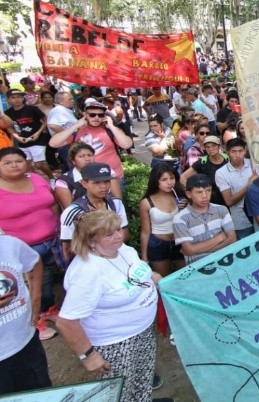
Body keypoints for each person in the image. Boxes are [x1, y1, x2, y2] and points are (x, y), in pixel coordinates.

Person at [56, 210, 160, 402]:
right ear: (91, 241)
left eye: (118, 229)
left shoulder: (124, 250)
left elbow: (143, 274)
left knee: (142, 383)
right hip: (116, 345)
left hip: (142, 333)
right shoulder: (87, 271)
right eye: (109, 234)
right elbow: (66, 322)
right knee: (121, 394)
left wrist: (160, 280)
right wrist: (88, 355)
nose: (118, 235)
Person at [0, 147, 60, 340]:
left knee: (48, 281)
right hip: (23, 248)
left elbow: (52, 203)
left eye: (18, 160)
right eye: (7, 163)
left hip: (53, 240)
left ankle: (49, 310)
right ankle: (36, 321)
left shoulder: (36, 179)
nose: (14, 165)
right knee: (31, 286)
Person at [0, 231, 52, 394]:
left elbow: (34, 262)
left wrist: (35, 302)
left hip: (26, 343)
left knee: (41, 394)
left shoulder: (9, 244)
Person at [49, 98, 133, 187]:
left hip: (111, 177)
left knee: (115, 201)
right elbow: (53, 143)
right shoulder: (77, 131)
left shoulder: (111, 131)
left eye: (100, 115)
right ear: (85, 115)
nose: (96, 118)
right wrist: (76, 125)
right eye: (92, 115)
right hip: (86, 180)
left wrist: (112, 126)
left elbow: (127, 145)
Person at [60, 162, 129, 259]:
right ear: (84, 183)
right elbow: (68, 250)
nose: (103, 186)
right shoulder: (72, 212)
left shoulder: (116, 203)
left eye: (106, 181)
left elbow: (124, 233)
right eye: (96, 182)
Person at [173, 174, 237, 265]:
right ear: (188, 194)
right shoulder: (180, 219)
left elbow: (232, 239)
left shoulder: (222, 210)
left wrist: (200, 250)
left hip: (226, 263)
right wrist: (220, 238)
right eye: (199, 192)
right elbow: (189, 250)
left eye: (208, 191)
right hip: (200, 270)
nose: (205, 196)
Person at [139, 164, 187, 278]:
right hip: (158, 244)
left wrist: (187, 205)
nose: (169, 182)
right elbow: (145, 232)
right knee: (164, 280)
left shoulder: (179, 197)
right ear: (156, 181)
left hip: (178, 241)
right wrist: (144, 258)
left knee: (185, 275)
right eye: (164, 179)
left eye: (172, 178)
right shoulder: (146, 202)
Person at [53, 142, 122, 208]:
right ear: (73, 161)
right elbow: (70, 209)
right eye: (81, 156)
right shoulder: (63, 181)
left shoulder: (106, 171)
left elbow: (117, 200)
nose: (87, 159)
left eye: (90, 155)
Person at [216, 138, 259, 239]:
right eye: (233, 152)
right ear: (227, 152)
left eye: (240, 151)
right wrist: (248, 186)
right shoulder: (221, 173)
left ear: (245, 151)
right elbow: (229, 201)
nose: (237, 155)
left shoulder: (254, 165)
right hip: (241, 221)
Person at [4, 89, 53, 179]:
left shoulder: (32, 109)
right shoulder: (7, 113)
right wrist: (17, 137)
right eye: (13, 97)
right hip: (22, 141)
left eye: (19, 97)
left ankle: (52, 178)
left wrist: (38, 133)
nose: (16, 99)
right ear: (8, 100)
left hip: (38, 139)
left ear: (23, 98)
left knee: (39, 164)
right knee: (27, 165)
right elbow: (8, 127)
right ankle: (34, 181)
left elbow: (45, 120)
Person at [180, 135, 228, 206]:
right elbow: (183, 178)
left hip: (226, 196)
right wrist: (193, 195)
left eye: (213, 146)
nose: (210, 149)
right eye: (207, 147)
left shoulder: (227, 158)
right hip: (210, 200)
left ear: (219, 146)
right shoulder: (202, 162)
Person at [46, 91, 78, 174]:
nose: (72, 101)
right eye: (69, 99)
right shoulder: (58, 110)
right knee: (71, 168)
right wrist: (68, 136)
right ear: (60, 101)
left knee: (69, 167)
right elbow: (53, 125)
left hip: (69, 141)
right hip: (67, 143)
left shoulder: (63, 110)